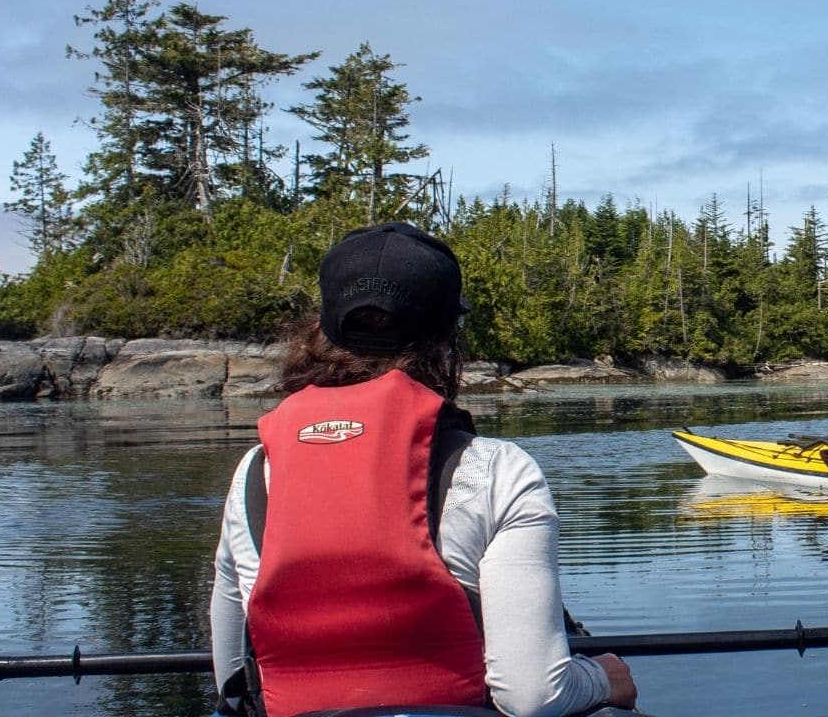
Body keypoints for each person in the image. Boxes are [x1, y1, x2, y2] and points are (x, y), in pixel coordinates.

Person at [209, 222, 638, 717]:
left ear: (322, 328)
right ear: (447, 338)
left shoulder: (255, 473)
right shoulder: (498, 472)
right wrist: (602, 678)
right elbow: (533, 696)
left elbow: (233, 684)